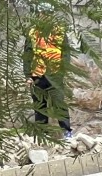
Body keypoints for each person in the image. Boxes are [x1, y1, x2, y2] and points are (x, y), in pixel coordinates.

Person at [23, 3, 72, 136]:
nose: (45, 16)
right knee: (39, 106)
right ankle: (42, 134)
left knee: (59, 103)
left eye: (48, 14)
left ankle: (67, 132)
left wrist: (63, 70)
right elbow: (27, 54)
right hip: (37, 74)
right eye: (42, 13)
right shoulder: (32, 32)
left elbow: (66, 53)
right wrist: (28, 75)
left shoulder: (60, 32)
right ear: (39, 14)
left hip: (55, 74)